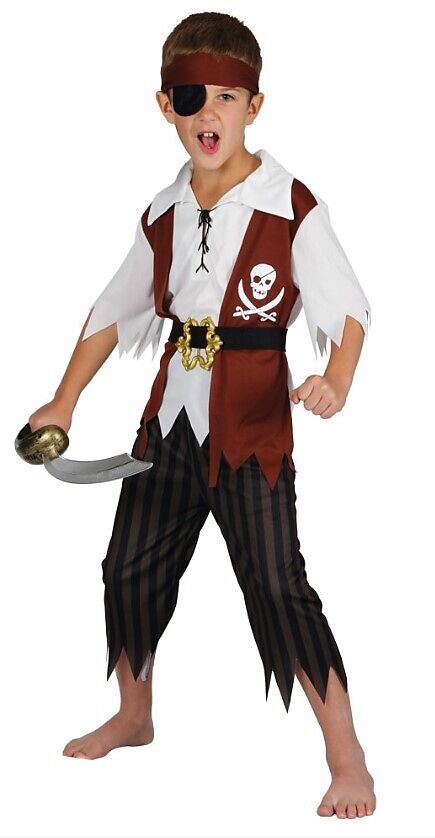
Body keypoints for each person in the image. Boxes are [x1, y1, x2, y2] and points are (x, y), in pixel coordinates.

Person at [28, 11, 376, 819]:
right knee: (127, 566)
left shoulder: (289, 205)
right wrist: (64, 397)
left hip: (250, 428)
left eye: (226, 96)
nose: (208, 113)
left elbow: (349, 307)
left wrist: (337, 377)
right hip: (168, 425)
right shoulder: (162, 211)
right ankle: (134, 714)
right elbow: (113, 311)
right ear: (166, 106)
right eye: (192, 98)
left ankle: (346, 753)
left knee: (277, 585)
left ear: (254, 106)